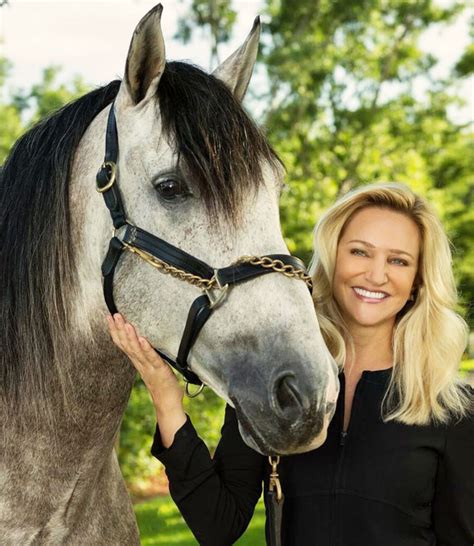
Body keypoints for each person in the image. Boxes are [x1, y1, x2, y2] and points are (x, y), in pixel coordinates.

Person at [107, 182, 474, 546]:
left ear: (416, 282)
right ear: (333, 257)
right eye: (360, 252)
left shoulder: (452, 410)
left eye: (398, 260)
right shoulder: (279, 379)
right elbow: (217, 524)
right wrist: (165, 398)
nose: (377, 275)